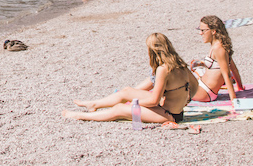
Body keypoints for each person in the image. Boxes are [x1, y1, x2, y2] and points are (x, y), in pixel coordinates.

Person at [63, 33, 197, 124]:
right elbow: (195, 85)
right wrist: (185, 99)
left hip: (169, 115)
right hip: (175, 111)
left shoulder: (163, 69)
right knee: (127, 91)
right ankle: (94, 104)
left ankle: (80, 116)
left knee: (119, 109)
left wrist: (133, 103)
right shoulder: (180, 64)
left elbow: (154, 100)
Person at [190, 16, 244, 104]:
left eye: (203, 30)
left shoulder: (219, 48)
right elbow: (233, 68)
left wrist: (234, 101)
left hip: (205, 92)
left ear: (213, 31)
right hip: (203, 88)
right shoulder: (218, 45)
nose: (200, 33)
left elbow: (226, 75)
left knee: (171, 84)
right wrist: (240, 87)